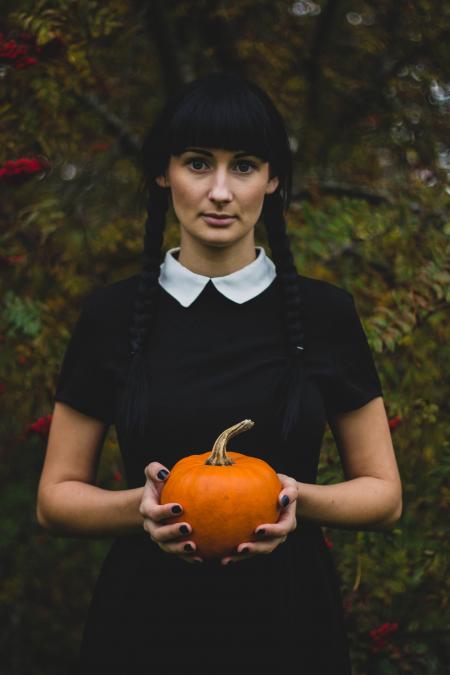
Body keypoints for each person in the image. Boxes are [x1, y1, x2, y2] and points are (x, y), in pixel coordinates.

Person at [36, 71, 402, 674]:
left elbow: (383, 495)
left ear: (273, 179)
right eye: (199, 164)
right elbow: (55, 498)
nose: (222, 192)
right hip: (143, 627)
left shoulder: (323, 313)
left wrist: (294, 499)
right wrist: (143, 508)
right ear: (164, 173)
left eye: (245, 166)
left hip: (289, 624)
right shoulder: (111, 314)